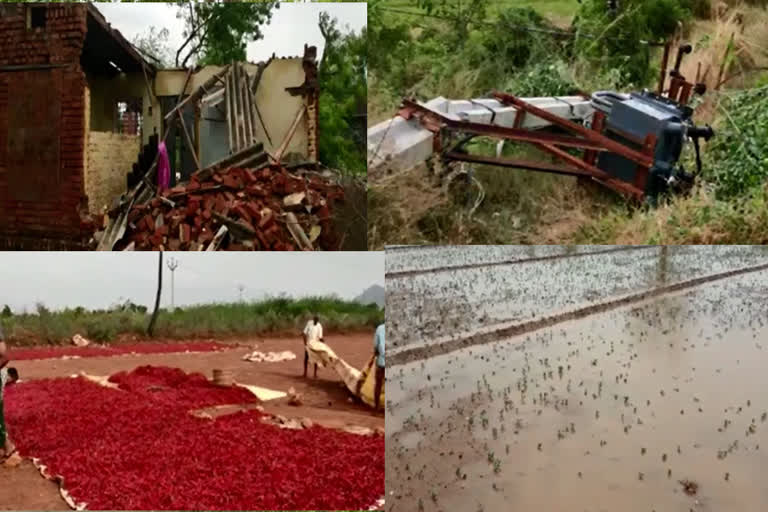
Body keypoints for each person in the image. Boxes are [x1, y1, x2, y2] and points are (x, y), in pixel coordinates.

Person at [373, 323, 385, 411]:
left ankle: (376, 407)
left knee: (378, 384)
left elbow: (376, 345)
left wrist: (376, 353)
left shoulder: (380, 328)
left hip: (382, 361)